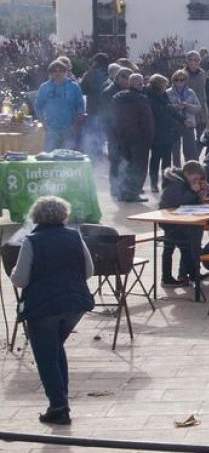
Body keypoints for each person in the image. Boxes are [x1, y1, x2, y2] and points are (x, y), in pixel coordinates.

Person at [10, 196, 95, 425]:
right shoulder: (74, 236)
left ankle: (58, 407)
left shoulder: (32, 241)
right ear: (63, 215)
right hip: (75, 304)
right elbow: (89, 271)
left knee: (47, 358)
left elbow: (20, 279)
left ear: (36, 216)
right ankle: (61, 402)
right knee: (56, 350)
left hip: (43, 306)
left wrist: (12, 272)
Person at [158, 161, 208, 286]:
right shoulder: (176, 183)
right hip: (169, 221)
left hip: (180, 219)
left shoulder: (184, 181)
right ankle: (167, 278)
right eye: (195, 178)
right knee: (172, 248)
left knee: (187, 247)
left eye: (199, 179)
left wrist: (201, 195)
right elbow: (178, 201)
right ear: (187, 174)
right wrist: (193, 192)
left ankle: (192, 274)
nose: (196, 181)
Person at [111, 73, 154, 203]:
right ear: (138, 84)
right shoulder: (141, 99)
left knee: (125, 165)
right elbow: (147, 121)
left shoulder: (116, 98)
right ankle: (134, 193)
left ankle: (122, 192)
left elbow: (112, 118)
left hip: (121, 137)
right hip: (139, 139)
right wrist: (149, 138)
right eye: (141, 83)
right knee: (138, 167)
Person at [34, 60, 85, 151]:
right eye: (54, 71)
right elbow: (38, 106)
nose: (58, 73)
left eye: (61, 70)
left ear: (66, 72)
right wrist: (43, 123)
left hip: (69, 129)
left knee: (68, 158)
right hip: (51, 130)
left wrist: (74, 125)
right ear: (50, 73)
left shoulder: (74, 87)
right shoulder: (44, 87)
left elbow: (80, 107)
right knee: (50, 157)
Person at [146, 74, 182, 194]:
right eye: (165, 84)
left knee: (167, 159)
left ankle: (166, 183)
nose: (166, 86)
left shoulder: (163, 95)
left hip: (167, 132)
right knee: (155, 159)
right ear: (159, 85)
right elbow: (161, 114)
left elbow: (170, 109)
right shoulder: (150, 97)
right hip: (156, 133)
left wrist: (182, 119)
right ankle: (153, 183)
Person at [79, 53, 111, 157]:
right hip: (110, 113)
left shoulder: (91, 74)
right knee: (107, 140)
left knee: (92, 139)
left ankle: (94, 163)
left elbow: (82, 90)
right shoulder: (113, 74)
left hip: (94, 111)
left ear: (95, 62)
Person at [168, 69, 202, 164]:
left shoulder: (191, 92)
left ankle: (191, 171)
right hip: (174, 125)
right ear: (173, 80)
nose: (179, 82)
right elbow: (166, 108)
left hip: (189, 124)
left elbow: (198, 107)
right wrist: (177, 106)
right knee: (175, 151)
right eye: (176, 80)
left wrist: (188, 106)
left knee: (190, 151)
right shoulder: (168, 92)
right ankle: (177, 172)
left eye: (182, 80)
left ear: (186, 80)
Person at [184, 51, 209, 150]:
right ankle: (190, 160)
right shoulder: (182, 74)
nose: (194, 62)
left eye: (197, 60)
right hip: (187, 109)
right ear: (187, 61)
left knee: (202, 138)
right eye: (191, 60)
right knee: (188, 138)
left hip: (202, 109)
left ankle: (195, 158)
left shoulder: (203, 73)